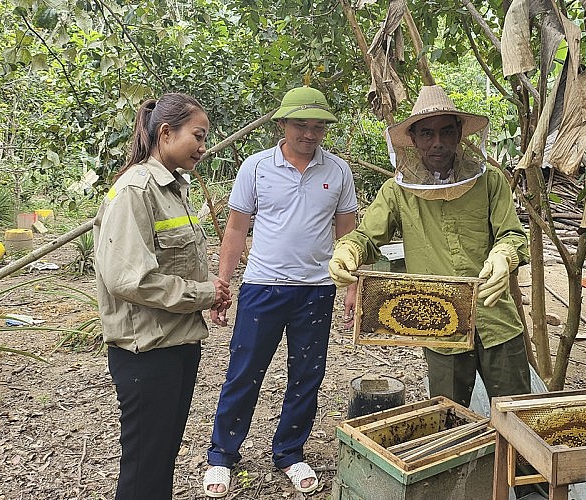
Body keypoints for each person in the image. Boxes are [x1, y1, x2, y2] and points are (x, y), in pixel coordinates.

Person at [328, 84, 531, 409]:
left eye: (446, 132)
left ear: (459, 134)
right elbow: (366, 237)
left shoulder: (490, 180)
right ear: (414, 140)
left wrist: (505, 253)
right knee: (450, 418)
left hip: (497, 321)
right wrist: (348, 249)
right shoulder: (397, 192)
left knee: (519, 418)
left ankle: (516, 464)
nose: (437, 143)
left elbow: (514, 235)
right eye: (427, 134)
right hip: (438, 326)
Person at [203, 86, 358, 497]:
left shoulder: (338, 171)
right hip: (262, 287)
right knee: (244, 372)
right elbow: (237, 229)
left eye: (318, 127)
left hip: (316, 289)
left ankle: (290, 452)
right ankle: (222, 456)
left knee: (307, 375)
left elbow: (347, 233)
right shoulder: (256, 168)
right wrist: (224, 284)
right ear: (282, 125)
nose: (309, 134)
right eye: (300, 126)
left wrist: (352, 286)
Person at [93, 93, 231, 500]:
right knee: (144, 464)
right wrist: (203, 293)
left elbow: (175, 260)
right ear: (166, 133)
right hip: (145, 354)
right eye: (198, 136)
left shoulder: (173, 188)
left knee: (161, 454)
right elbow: (128, 278)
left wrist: (209, 289)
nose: (203, 147)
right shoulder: (135, 190)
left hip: (177, 342)